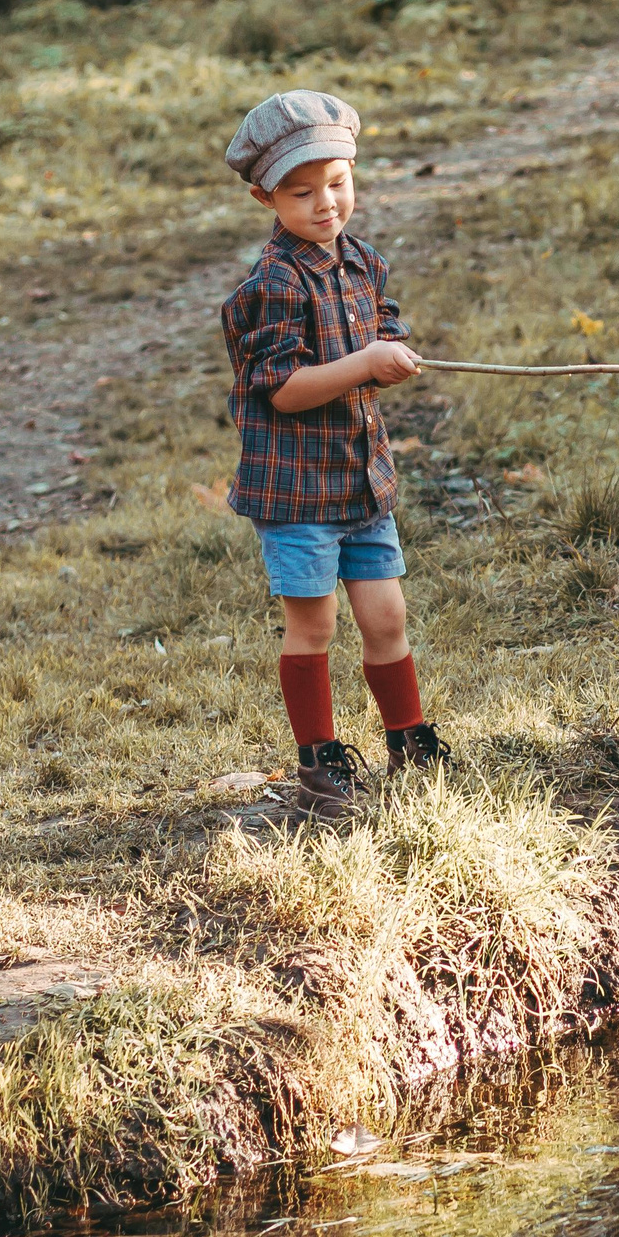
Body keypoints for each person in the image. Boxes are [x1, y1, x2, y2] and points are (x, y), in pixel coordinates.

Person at [220, 89, 448, 821]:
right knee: (313, 624)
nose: (326, 204)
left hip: (360, 483)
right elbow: (284, 391)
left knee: (387, 618)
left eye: (339, 183)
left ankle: (407, 737)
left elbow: (381, 332)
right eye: (302, 191)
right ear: (265, 196)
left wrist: (391, 353)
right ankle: (319, 760)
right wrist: (365, 362)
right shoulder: (273, 285)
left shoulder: (364, 264)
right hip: (296, 496)